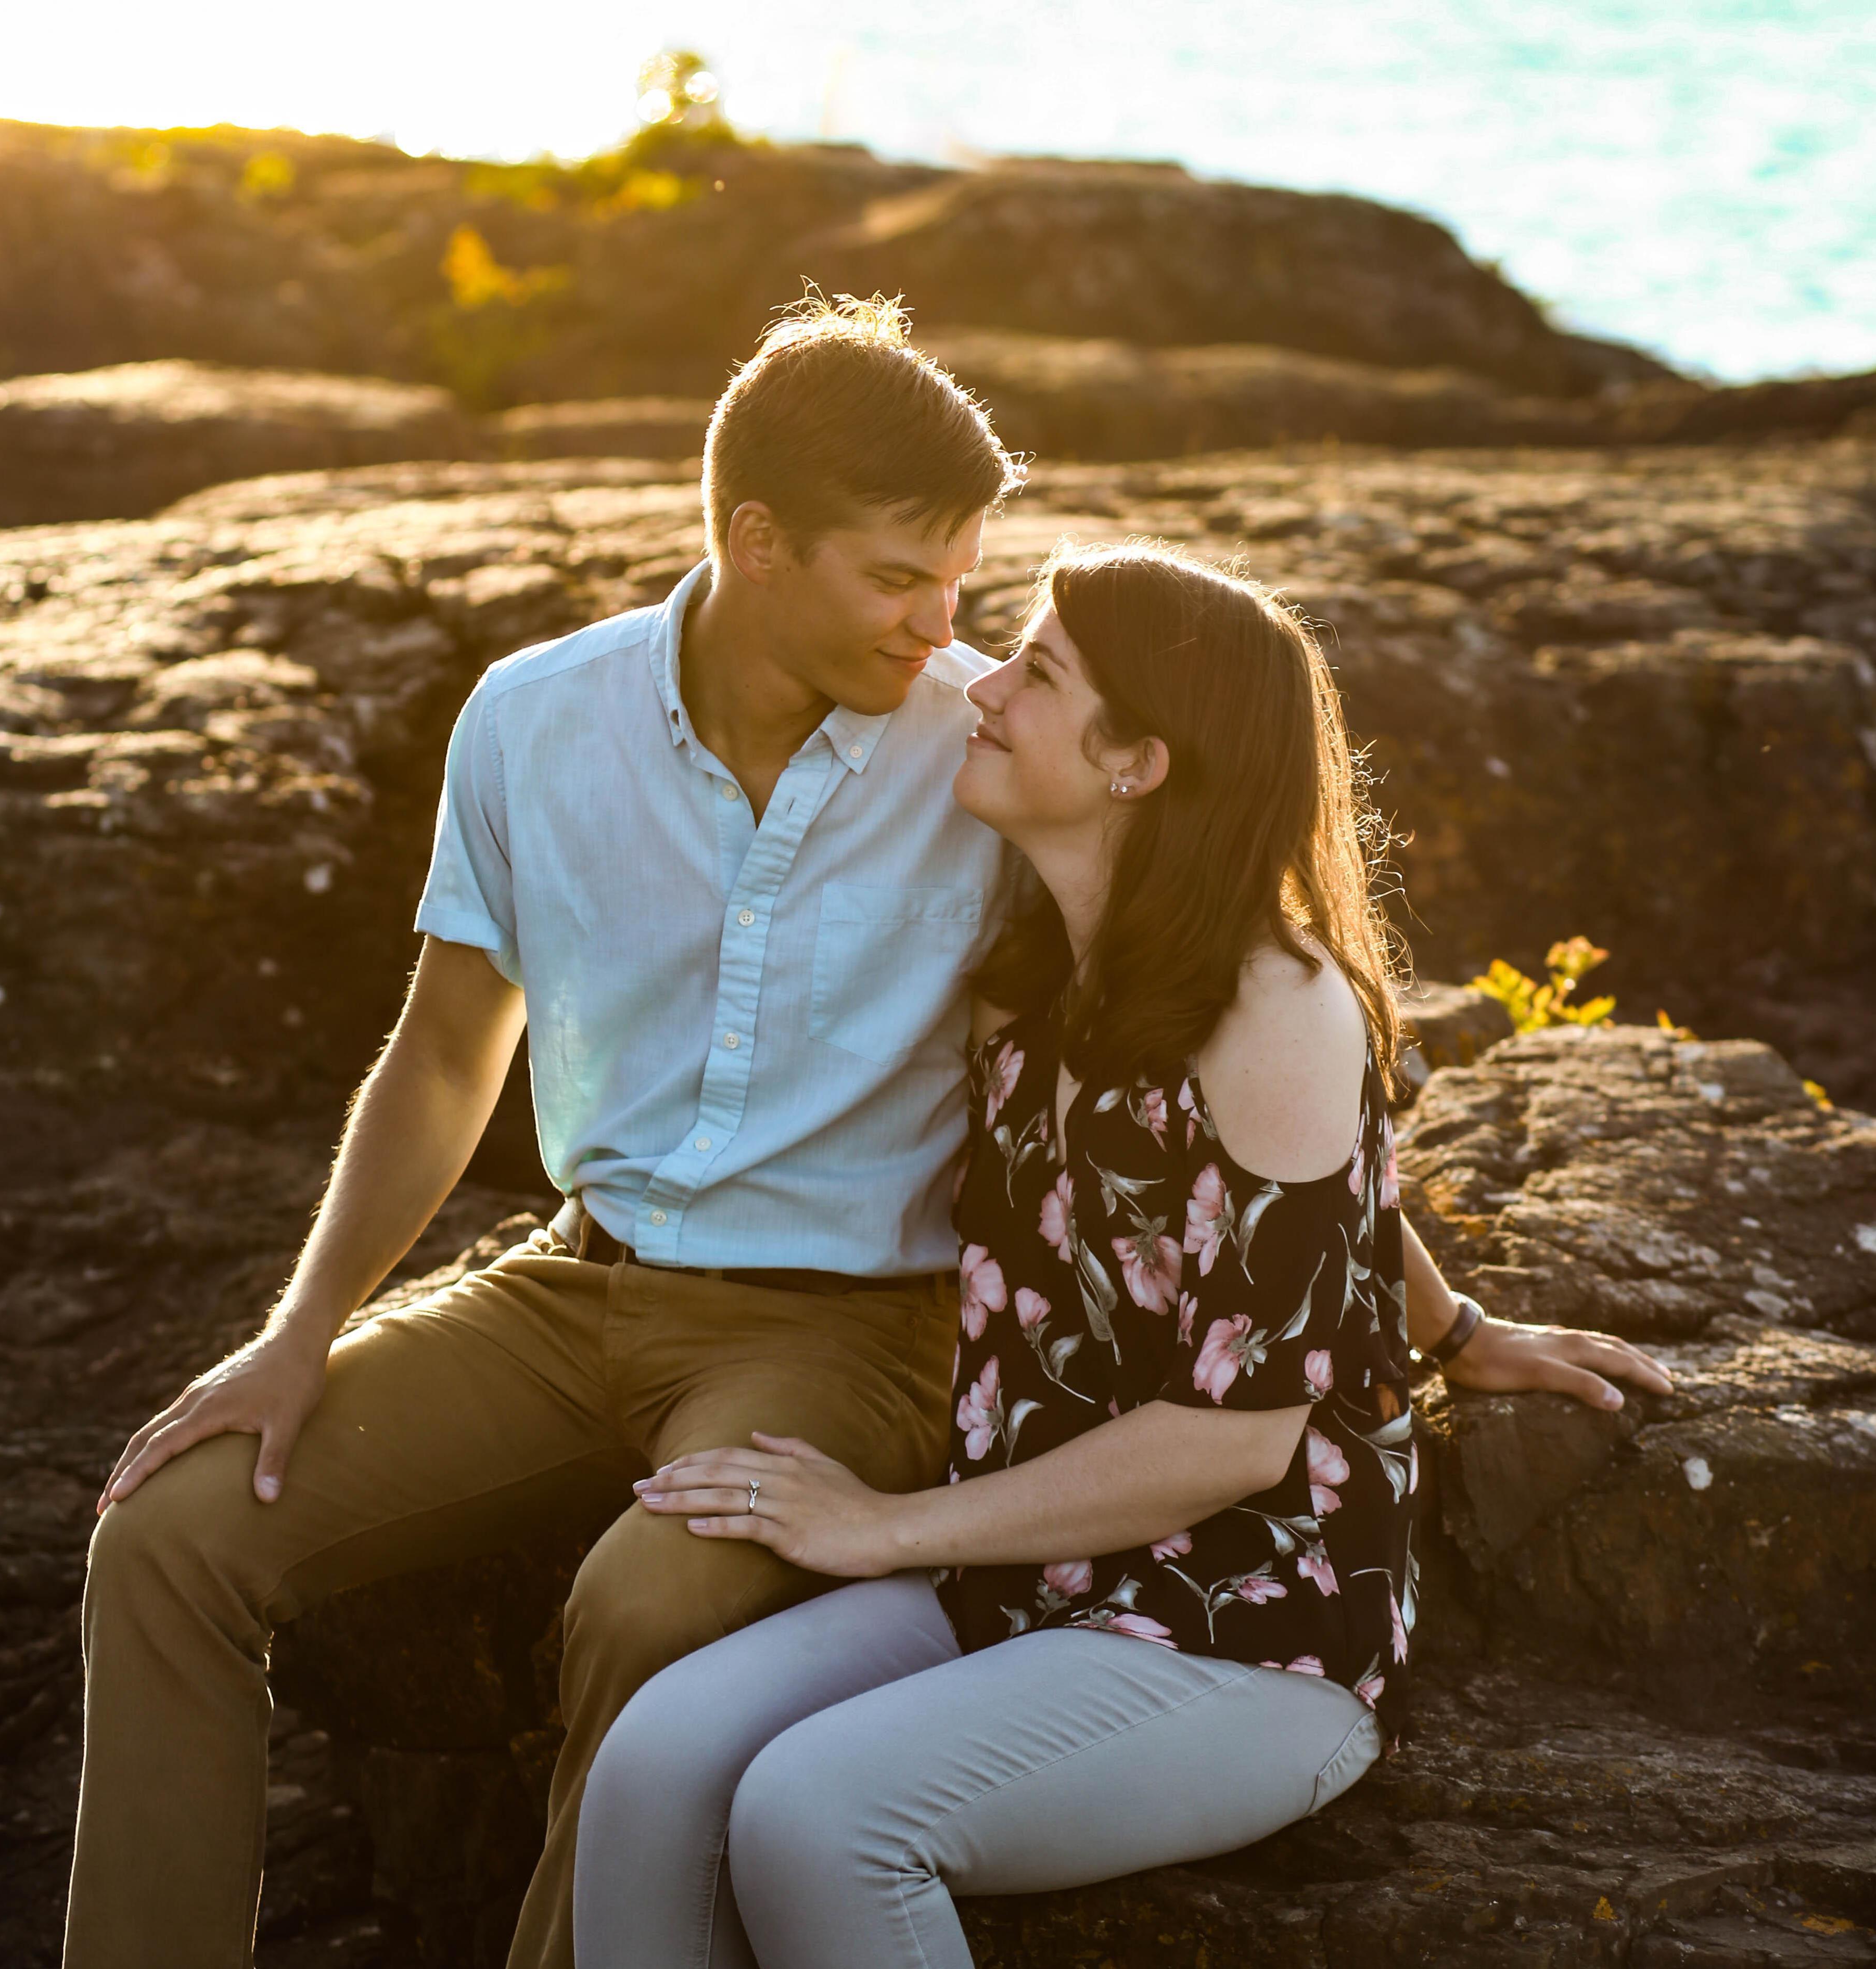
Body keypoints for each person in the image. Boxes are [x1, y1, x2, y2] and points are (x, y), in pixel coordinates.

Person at [68, 300, 1668, 1969]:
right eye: (901, 580)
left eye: (966, 584)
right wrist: (300, 1336)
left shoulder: (995, 752)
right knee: (166, 1537)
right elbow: (443, 1050)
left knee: (646, 1611)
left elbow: (1255, 1120)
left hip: (846, 1329)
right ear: (758, 543)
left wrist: (1453, 1330)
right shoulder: (536, 721)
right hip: (570, 1282)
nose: (945, 632)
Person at [578, 541, 1675, 1969]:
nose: (983, 689)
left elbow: (1236, 1435)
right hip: (1023, 1578)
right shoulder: (1037, 967)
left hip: (1250, 1631)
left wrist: (879, 1528)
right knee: (655, 1760)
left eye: (1037, 671)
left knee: (820, 1817)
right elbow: (1325, 1210)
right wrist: (1459, 1330)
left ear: (1139, 763)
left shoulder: (1276, 1008)